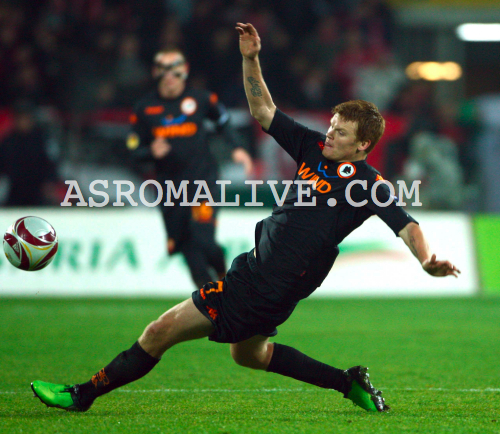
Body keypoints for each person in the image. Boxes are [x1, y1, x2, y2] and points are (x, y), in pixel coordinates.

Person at [31, 23, 460, 414]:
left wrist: (426, 260)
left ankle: (83, 394)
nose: (330, 134)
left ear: (363, 145)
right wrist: (250, 59)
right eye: (332, 125)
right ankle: (347, 382)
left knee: (160, 330)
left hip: (265, 285)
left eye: (340, 132)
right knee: (250, 355)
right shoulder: (313, 147)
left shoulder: (368, 183)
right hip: (262, 273)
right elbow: (263, 111)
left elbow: (407, 225)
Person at [126, 48, 253, 288]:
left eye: (175, 69)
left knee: (203, 238)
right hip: (170, 190)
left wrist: (237, 147)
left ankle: (224, 276)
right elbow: (133, 151)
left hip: (203, 183)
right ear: (155, 72)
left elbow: (223, 122)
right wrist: (149, 152)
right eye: (164, 69)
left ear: (184, 70)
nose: (170, 75)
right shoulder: (145, 108)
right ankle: (211, 299)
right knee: (186, 247)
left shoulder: (201, 99)